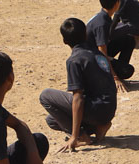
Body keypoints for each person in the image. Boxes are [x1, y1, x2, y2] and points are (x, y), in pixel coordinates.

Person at [40, 18, 118, 150]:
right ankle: (99, 127)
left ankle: (82, 136)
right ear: (85, 34)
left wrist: (74, 136)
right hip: (109, 109)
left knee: (45, 96)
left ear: (64, 41)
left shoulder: (74, 60)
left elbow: (78, 98)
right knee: (52, 120)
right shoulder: (98, 53)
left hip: (95, 109)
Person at [86, 0, 137, 86]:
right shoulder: (102, 23)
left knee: (129, 39)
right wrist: (114, 77)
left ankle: (116, 67)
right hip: (93, 59)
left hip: (94, 52)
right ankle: (106, 76)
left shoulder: (102, 16)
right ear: (116, 4)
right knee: (127, 70)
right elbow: (102, 53)